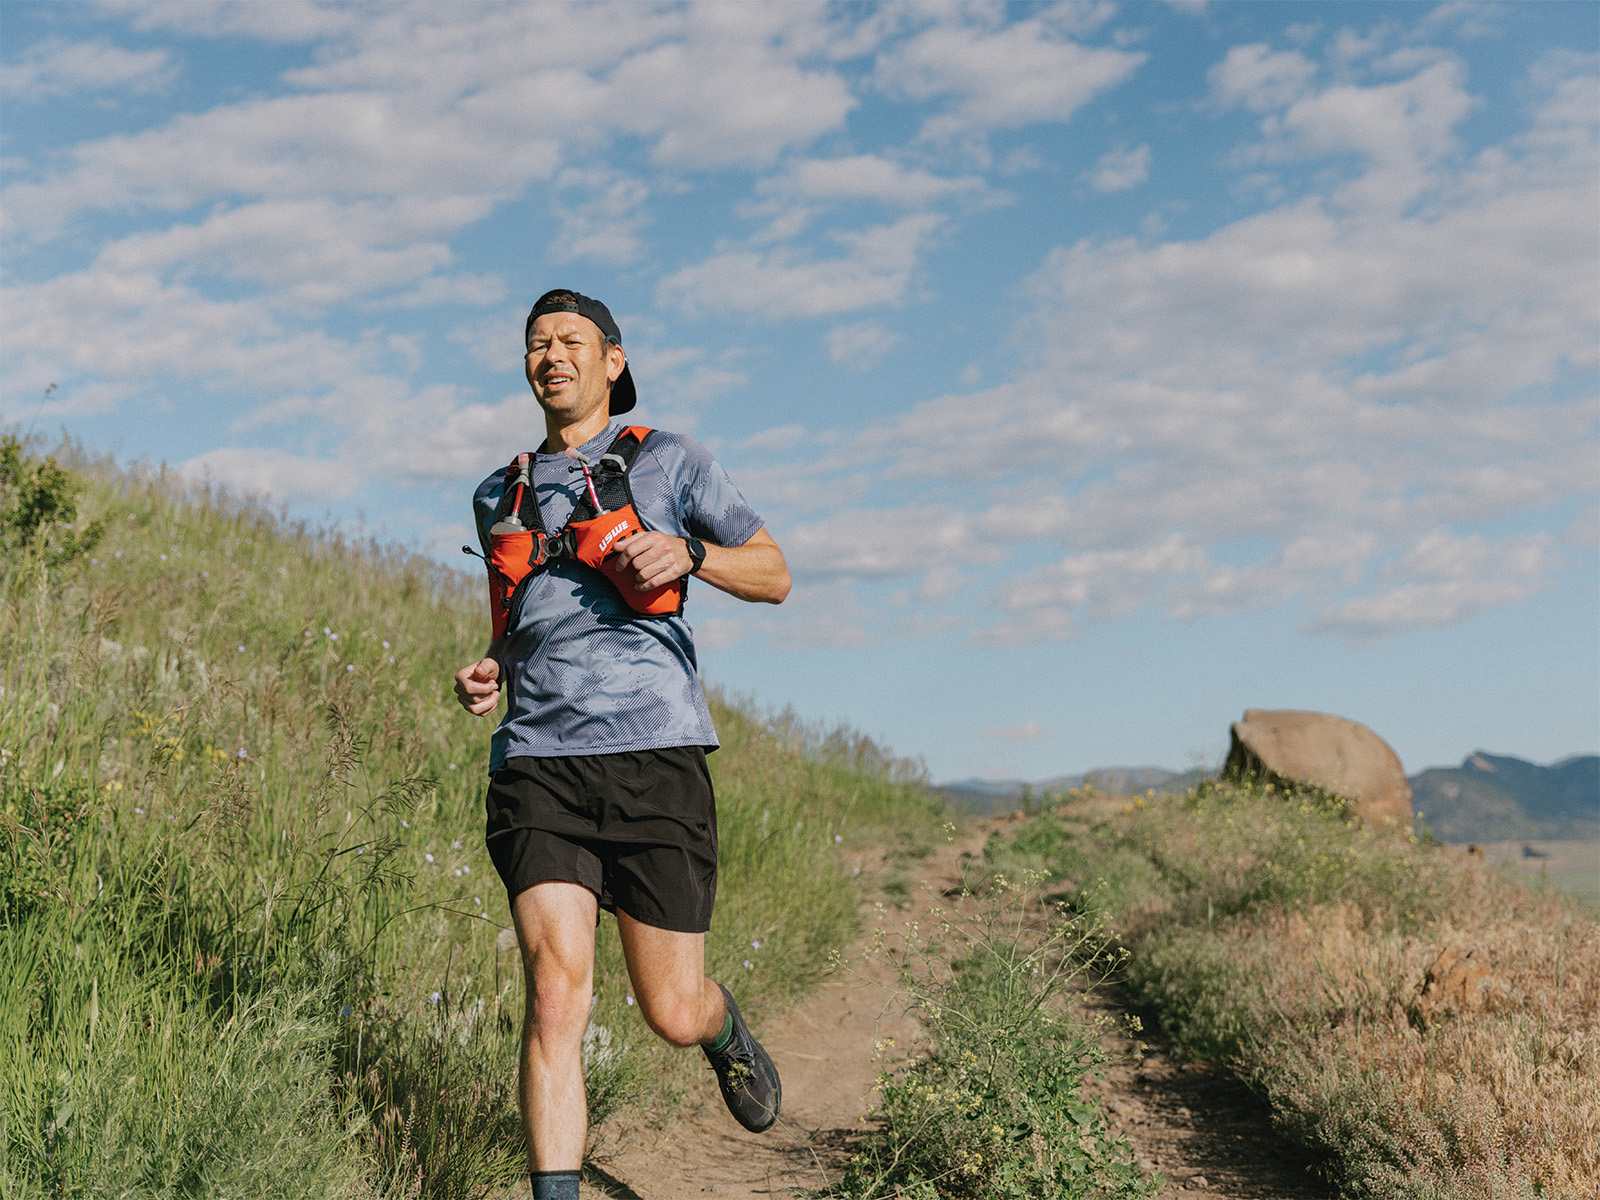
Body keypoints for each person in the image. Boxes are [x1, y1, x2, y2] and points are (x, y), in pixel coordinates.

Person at [453, 290, 791, 1200]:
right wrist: (489, 669)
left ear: (613, 360)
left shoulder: (671, 461)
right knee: (556, 996)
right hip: (536, 762)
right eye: (536, 344)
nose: (550, 354)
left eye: (571, 341)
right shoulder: (500, 493)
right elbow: (516, 619)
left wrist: (692, 555)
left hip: (654, 759)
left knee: (671, 1012)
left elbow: (777, 573)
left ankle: (723, 1034)